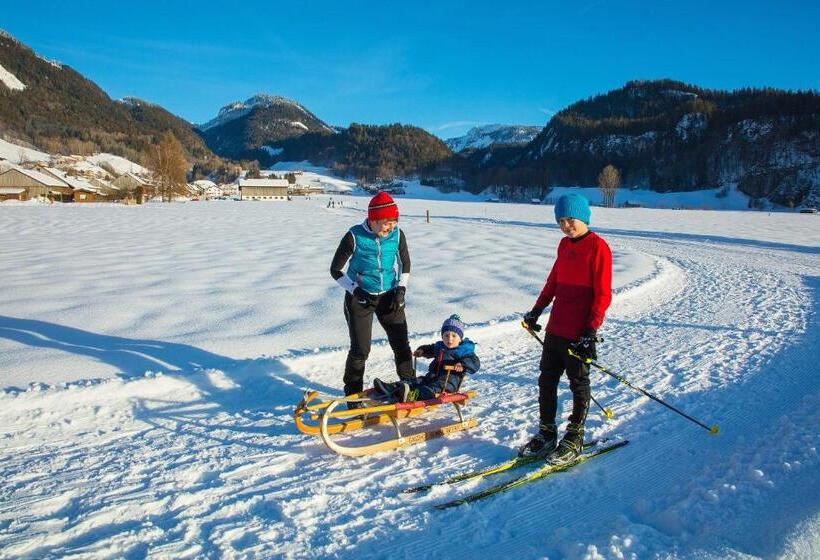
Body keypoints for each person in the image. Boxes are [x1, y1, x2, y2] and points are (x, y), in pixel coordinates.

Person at [519, 193, 612, 464]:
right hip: (556, 327)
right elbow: (553, 282)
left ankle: (575, 436)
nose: (566, 225)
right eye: (561, 221)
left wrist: (590, 331)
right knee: (546, 380)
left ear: (583, 217)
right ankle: (547, 432)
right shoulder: (564, 245)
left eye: (570, 219)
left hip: (579, 331)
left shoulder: (598, 247)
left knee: (578, 383)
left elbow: (603, 295)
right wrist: (536, 311)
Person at [330, 191, 414, 408]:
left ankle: (410, 386)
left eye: (394, 222)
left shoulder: (397, 235)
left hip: (390, 295)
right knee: (360, 350)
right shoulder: (354, 236)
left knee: (401, 343)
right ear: (373, 220)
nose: (391, 228)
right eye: (387, 223)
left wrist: (401, 289)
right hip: (360, 298)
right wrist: (356, 291)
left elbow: (405, 264)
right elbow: (335, 270)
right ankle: (353, 397)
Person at [374, 314, 480, 402]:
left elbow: (474, 362)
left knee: (428, 390)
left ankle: (411, 395)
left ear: (460, 338)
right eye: (446, 335)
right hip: (432, 377)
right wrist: (422, 350)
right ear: (442, 336)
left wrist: (462, 364)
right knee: (415, 381)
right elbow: (430, 348)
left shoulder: (464, 350)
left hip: (447, 383)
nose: (450, 339)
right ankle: (391, 388)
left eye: (454, 336)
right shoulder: (440, 346)